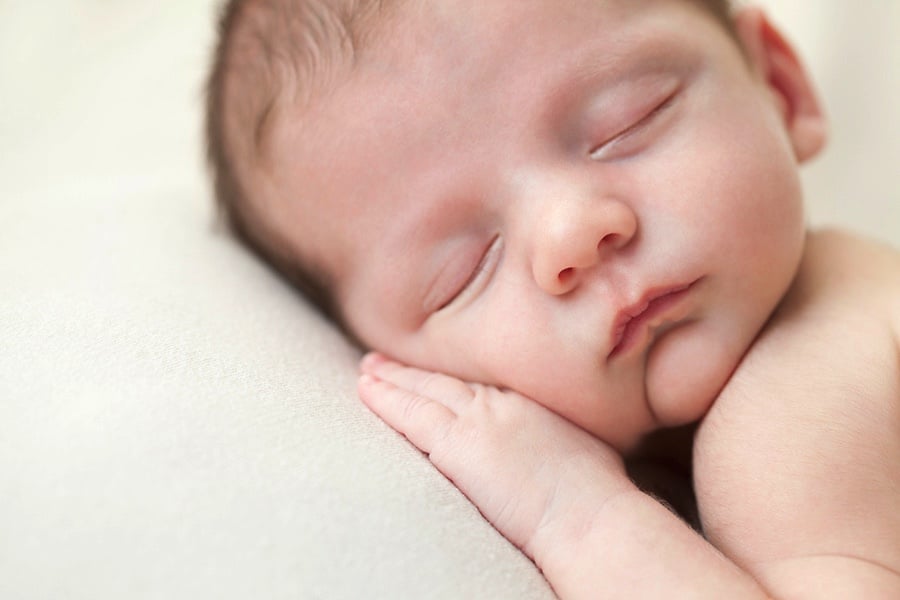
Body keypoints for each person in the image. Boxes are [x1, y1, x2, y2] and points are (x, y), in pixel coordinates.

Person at [206, 0, 900, 596]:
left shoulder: (801, 403)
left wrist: (576, 516)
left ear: (780, 87)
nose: (572, 234)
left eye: (627, 124)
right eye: (465, 270)